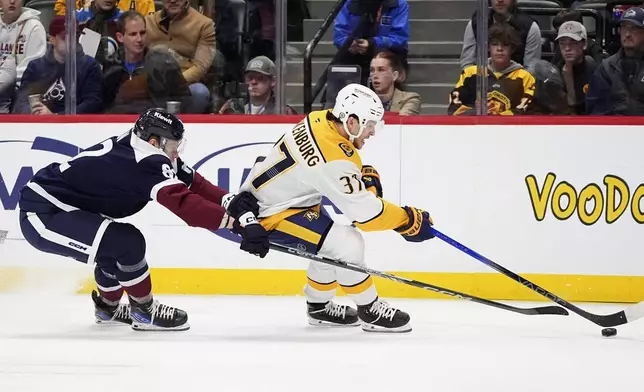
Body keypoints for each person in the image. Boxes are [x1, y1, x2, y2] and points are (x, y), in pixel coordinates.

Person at [18, 109, 270, 332]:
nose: (176, 152)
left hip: (59, 204)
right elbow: (186, 206)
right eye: (173, 145)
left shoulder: (141, 145)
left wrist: (231, 201)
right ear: (154, 141)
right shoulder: (143, 161)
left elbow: (194, 182)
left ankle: (108, 308)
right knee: (126, 243)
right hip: (44, 213)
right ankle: (144, 310)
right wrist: (237, 224)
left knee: (112, 248)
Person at [238, 83, 435, 333]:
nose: (373, 131)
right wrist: (407, 220)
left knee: (330, 243)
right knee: (347, 243)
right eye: (370, 124)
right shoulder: (334, 157)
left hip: (281, 199)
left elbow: (343, 182)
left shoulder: (320, 118)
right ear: (352, 121)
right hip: (268, 213)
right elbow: (366, 216)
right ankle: (369, 308)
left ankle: (319, 308)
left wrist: (365, 186)